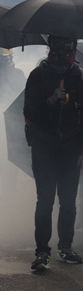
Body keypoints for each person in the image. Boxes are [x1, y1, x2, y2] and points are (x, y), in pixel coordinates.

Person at [24, 36, 83, 272]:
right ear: (51, 48)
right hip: (44, 147)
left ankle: (66, 247)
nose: (64, 53)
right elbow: (29, 111)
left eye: (68, 48)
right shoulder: (37, 76)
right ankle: (42, 251)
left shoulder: (82, 78)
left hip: (71, 149)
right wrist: (50, 100)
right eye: (59, 47)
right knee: (44, 201)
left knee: (68, 203)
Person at [0, 48, 25, 208]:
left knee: (10, 166)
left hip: (12, 124)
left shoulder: (17, 75)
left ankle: (8, 198)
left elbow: (24, 97)